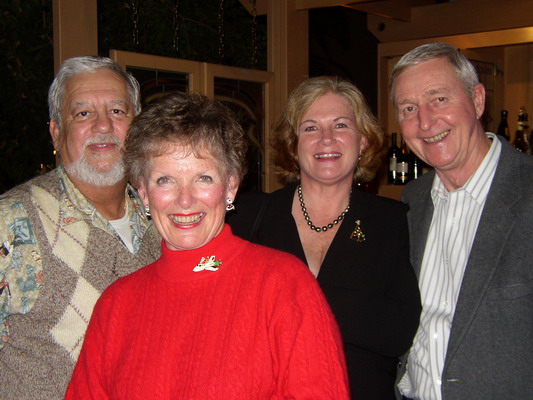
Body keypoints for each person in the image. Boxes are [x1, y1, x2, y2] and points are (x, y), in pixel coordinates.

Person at [65, 91, 350, 399]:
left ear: (230, 187)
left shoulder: (284, 285)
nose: (185, 200)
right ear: (144, 193)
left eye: (203, 178)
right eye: (165, 180)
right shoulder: (116, 305)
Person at [227, 76, 422, 400]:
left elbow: (398, 332)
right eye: (310, 128)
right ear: (293, 145)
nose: (326, 139)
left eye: (341, 125)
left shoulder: (393, 221)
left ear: (363, 141)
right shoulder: (247, 217)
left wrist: (288, 305)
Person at [0, 56, 161, 399]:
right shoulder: (13, 221)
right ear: (57, 132)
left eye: (117, 111)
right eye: (83, 113)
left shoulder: (163, 217)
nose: (103, 126)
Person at [390, 42, 533, 400]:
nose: (425, 122)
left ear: (478, 100)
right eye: (409, 108)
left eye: (439, 99)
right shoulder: (412, 201)